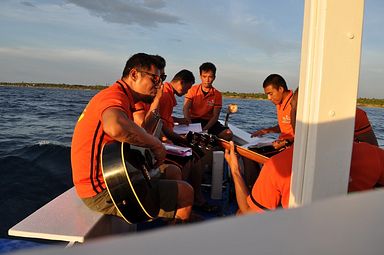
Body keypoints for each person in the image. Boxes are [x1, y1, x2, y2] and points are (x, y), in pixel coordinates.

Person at [71, 53, 194, 223]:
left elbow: (142, 131)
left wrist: (156, 100)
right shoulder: (113, 96)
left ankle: (172, 220)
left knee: (173, 171)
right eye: (155, 79)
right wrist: (157, 145)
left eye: (161, 79)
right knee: (185, 192)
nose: (159, 85)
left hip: (117, 177)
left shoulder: (126, 98)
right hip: (103, 189)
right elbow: (115, 127)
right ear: (134, 74)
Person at [225, 89, 384, 214]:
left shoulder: (279, 166)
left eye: (293, 109)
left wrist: (235, 169)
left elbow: (248, 213)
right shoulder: (375, 156)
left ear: (295, 116)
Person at [183, 62, 233, 141]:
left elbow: (215, 116)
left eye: (210, 77)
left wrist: (204, 130)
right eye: (204, 76)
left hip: (209, 122)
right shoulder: (192, 90)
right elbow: (185, 109)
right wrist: (191, 126)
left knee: (228, 134)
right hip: (192, 120)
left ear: (214, 77)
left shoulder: (217, 94)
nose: (207, 79)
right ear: (200, 76)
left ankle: (211, 139)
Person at [251, 74, 294, 150]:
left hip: (291, 148)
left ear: (280, 89)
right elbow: (286, 126)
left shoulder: (294, 104)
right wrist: (267, 131)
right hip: (281, 143)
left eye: (271, 94)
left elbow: (302, 133)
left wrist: (285, 142)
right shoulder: (279, 103)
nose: (269, 98)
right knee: (249, 152)